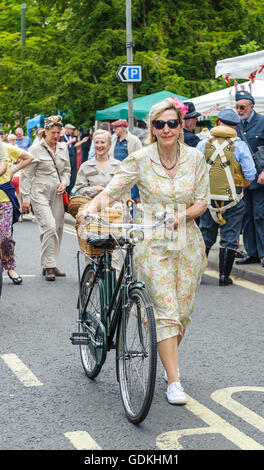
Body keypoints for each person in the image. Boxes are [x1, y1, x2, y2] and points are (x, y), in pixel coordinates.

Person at [77, 97, 209, 406]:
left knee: (182, 315)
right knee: (166, 312)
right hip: (151, 239)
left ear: (181, 126)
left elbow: (202, 200)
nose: (166, 129)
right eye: (160, 124)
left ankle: (167, 361)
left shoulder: (195, 159)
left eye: (172, 123)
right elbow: (113, 190)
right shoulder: (140, 158)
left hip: (188, 242)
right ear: (151, 127)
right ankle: (174, 381)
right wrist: (88, 209)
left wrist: (182, 215)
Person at [197, 109, 256, 286]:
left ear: (218, 123)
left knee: (206, 235)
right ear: (235, 126)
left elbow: (195, 170)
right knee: (230, 237)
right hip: (234, 199)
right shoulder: (240, 146)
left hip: (208, 198)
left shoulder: (203, 144)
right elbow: (251, 173)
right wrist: (239, 189)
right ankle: (224, 277)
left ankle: (198, 275)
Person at [20, 115, 71, 281]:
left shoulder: (63, 147)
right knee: (49, 226)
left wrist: (64, 182)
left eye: (58, 132)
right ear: (45, 131)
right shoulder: (35, 149)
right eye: (53, 132)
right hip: (40, 191)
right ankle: (48, 265)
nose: (56, 136)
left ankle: (53, 263)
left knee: (57, 228)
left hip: (57, 192)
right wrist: (25, 199)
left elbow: (67, 170)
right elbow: (26, 175)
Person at [234, 90, 264, 268]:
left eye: (242, 107)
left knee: (260, 216)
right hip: (243, 178)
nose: (239, 110)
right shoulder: (235, 125)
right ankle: (252, 253)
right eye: (237, 106)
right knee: (246, 216)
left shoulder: (262, 122)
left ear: (251, 107)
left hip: (259, 178)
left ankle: (263, 253)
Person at [0, 138, 33, 285]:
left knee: (5, 238)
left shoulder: (6, 148)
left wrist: (13, 170)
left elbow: (29, 157)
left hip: (4, 200)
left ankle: (10, 267)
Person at [110, 119, 142, 202]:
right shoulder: (113, 139)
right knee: (117, 197)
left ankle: (133, 215)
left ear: (123, 128)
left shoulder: (134, 140)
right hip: (116, 173)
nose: (114, 130)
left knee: (132, 198)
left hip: (130, 174)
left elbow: (140, 158)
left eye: (116, 128)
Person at [8, 134, 23, 222]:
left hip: (13, 176)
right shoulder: (19, 150)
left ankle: (16, 215)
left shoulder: (6, 149)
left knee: (12, 197)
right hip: (17, 175)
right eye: (13, 140)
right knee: (18, 197)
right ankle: (19, 216)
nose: (14, 141)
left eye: (14, 139)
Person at [62, 123, 77, 195]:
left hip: (72, 156)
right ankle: (66, 190)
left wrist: (82, 141)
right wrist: (71, 141)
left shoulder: (71, 136)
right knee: (67, 172)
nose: (72, 131)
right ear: (67, 129)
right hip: (66, 157)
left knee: (73, 173)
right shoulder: (62, 137)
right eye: (71, 130)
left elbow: (74, 145)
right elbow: (63, 145)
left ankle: (71, 190)